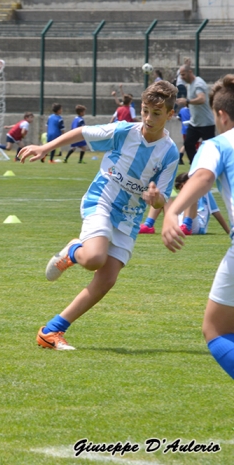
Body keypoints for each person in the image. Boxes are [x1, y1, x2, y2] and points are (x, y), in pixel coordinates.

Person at [19, 80, 180, 351]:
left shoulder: (170, 153)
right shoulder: (123, 132)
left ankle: (51, 331)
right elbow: (82, 131)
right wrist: (46, 148)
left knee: (106, 280)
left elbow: (163, 196)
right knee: (94, 259)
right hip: (101, 201)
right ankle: (73, 252)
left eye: (156, 113)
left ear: (170, 115)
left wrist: (156, 199)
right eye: (145, 111)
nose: (148, 119)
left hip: (129, 218)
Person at [161, 74, 234, 380]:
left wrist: (171, 212)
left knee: (215, 330)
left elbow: (202, 178)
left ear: (221, 115)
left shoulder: (218, 144)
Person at [176, 64, 216, 164]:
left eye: (183, 74)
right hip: (195, 123)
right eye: (180, 75)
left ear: (190, 72)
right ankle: (195, 165)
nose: (181, 77)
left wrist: (187, 101)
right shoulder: (189, 84)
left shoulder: (198, 83)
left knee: (211, 149)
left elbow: (201, 99)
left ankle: (214, 167)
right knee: (188, 144)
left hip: (206, 123)